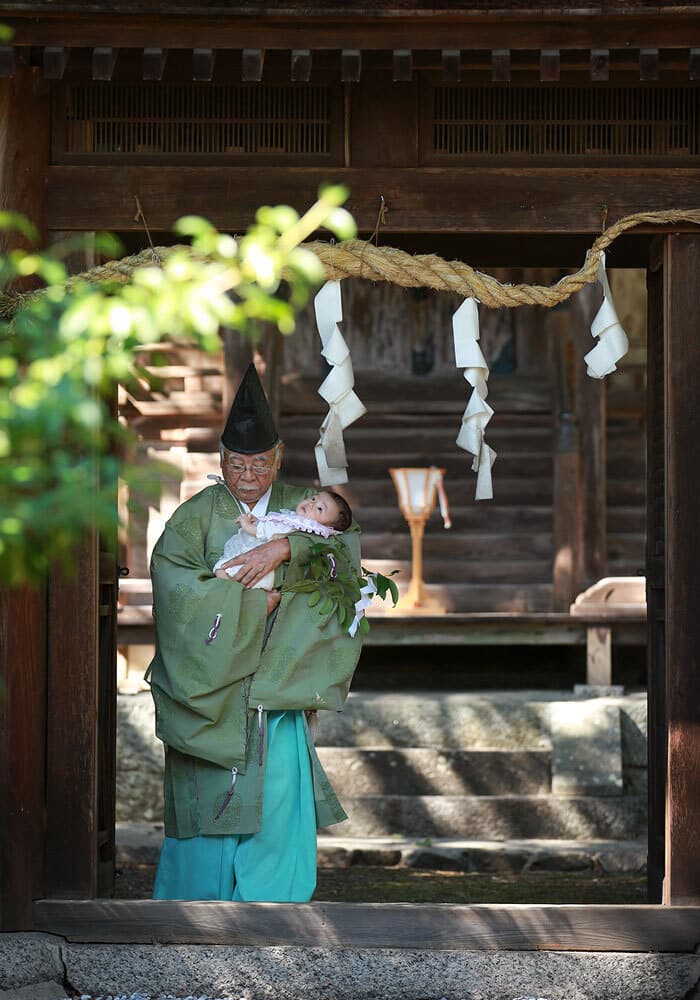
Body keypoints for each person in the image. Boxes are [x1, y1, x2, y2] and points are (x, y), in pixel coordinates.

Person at [146, 363, 363, 902]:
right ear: (221, 462)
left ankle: (275, 903)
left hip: (277, 681)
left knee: (278, 794)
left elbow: (349, 555)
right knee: (208, 790)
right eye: (237, 464)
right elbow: (173, 584)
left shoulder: (305, 507)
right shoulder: (195, 516)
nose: (248, 475)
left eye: (259, 463)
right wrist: (249, 606)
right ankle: (194, 907)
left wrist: (287, 546)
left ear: (278, 458)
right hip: (212, 692)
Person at [212, 490, 353, 589]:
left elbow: (264, 532)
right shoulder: (295, 520)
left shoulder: (299, 527)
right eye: (313, 498)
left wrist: (246, 524)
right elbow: (271, 524)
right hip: (266, 573)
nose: (311, 504)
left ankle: (233, 593)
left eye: (320, 509)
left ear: (326, 526)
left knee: (220, 568)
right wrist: (258, 520)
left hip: (263, 573)